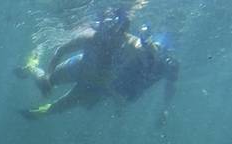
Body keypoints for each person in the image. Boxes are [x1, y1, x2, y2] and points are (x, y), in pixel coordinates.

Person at [16, 7, 178, 125]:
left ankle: (41, 112)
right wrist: (47, 74)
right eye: (104, 28)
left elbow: (151, 51)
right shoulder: (90, 37)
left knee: (61, 107)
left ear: (122, 29)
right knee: (44, 82)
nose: (108, 35)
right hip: (78, 68)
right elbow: (61, 50)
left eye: (114, 30)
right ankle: (32, 67)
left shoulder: (129, 43)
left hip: (97, 86)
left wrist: (148, 43)